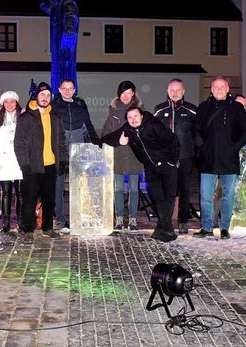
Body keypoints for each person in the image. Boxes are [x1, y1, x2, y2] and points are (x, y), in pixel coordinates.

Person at [102, 106, 181, 242]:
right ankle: (165, 229)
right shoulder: (128, 129)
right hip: (151, 168)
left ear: (142, 116)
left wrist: (171, 161)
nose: (133, 120)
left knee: (169, 197)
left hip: (167, 166)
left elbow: (173, 140)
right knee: (157, 198)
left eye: (135, 116)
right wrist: (113, 141)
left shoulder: (153, 125)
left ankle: (164, 230)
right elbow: (109, 137)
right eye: (129, 117)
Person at [192, 77, 246, 240]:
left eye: (222, 87)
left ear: (227, 89)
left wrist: (234, 147)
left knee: (228, 195)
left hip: (229, 159)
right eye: (216, 87)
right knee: (205, 196)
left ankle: (225, 227)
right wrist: (202, 145)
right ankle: (206, 227)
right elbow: (195, 129)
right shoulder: (204, 107)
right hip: (208, 159)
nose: (219, 90)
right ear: (211, 89)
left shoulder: (236, 108)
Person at [14, 82, 68, 241]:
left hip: (50, 165)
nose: (45, 98)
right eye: (42, 95)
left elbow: (61, 140)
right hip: (32, 166)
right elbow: (19, 142)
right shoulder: (26, 117)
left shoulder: (54, 117)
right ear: (36, 96)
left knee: (49, 198)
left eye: (48, 96)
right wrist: (24, 164)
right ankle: (28, 229)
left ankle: (47, 227)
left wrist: (63, 160)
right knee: (29, 199)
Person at [52, 78, 100, 232]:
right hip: (60, 148)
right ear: (59, 89)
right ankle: (59, 219)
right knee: (58, 185)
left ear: (74, 90)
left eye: (70, 88)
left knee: (79, 185)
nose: (67, 91)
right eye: (64, 88)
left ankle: (78, 217)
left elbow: (88, 123)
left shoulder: (80, 104)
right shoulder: (53, 105)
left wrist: (96, 141)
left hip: (77, 147)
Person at [153, 78, 198, 234]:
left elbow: (198, 133)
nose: (175, 93)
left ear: (183, 91)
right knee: (167, 190)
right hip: (166, 157)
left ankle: (183, 220)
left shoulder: (192, 110)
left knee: (184, 189)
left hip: (185, 156)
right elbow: (154, 134)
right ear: (167, 91)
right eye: (172, 90)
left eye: (178, 90)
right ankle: (165, 221)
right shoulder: (159, 110)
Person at [102, 80, 144, 231]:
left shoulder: (140, 111)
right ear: (118, 94)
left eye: (129, 93)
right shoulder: (113, 111)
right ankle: (119, 219)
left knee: (134, 189)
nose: (125, 96)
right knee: (118, 189)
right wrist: (117, 140)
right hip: (117, 155)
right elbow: (105, 135)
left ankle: (133, 220)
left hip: (134, 156)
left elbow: (144, 134)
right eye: (123, 93)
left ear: (133, 94)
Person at [0, 91, 24, 234]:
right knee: (6, 193)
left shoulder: (23, 118)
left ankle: (21, 222)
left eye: (12, 101)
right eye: (6, 102)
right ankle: (6, 222)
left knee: (21, 193)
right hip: (3, 161)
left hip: (19, 161)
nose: (9, 104)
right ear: (2, 104)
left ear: (16, 103)